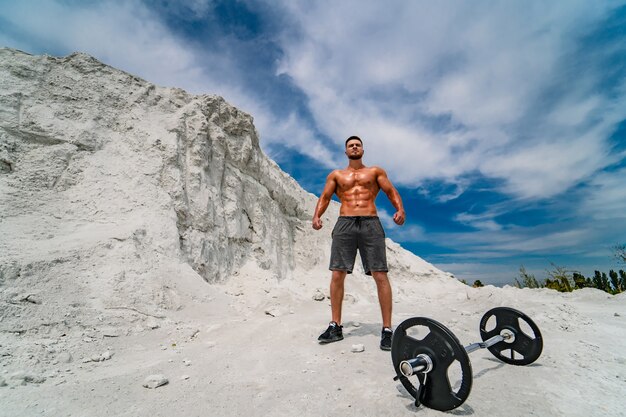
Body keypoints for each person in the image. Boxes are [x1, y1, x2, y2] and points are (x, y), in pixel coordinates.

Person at [312, 135, 405, 351]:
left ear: (363, 149)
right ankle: (335, 326)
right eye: (350, 145)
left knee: (380, 273)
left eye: (358, 145)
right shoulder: (336, 175)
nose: (354, 147)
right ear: (346, 151)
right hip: (345, 222)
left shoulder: (375, 172)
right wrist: (317, 216)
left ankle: (387, 330)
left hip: (370, 222)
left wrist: (400, 209)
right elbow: (325, 198)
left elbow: (391, 191)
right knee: (337, 273)